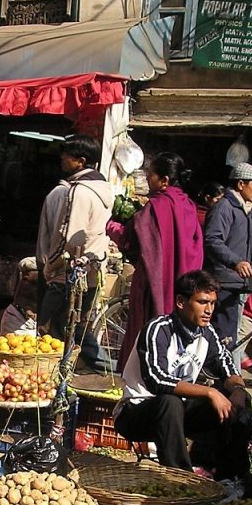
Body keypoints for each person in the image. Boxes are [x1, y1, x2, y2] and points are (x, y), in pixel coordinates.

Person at [114, 270, 251, 483]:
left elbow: (228, 369)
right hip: (136, 413)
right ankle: (182, 481)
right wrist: (209, 391)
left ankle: (231, 477)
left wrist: (238, 391)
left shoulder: (206, 333)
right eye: (203, 302)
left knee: (239, 402)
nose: (209, 310)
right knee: (171, 402)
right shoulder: (157, 329)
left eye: (213, 303)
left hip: (178, 415)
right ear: (180, 302)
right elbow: (157, 380)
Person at [110, 152, 204, 371]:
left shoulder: (157, 207)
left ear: (164, 181)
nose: (147, 179)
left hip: (154, 286)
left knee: (146, 333)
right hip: (182, 286)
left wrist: (113, 227)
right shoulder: (189, 205)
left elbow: (131, 241)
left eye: (150, 174)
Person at [35, 134, 114, 371]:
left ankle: (100, 368)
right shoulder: (104, 188)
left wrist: (50, 266)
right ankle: (99, 368)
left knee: (47, 329)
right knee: (76, 327)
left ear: (80, 161)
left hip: (69, 274)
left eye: (66, 155)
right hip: (92, 269)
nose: (62, 159)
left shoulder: (78, 191)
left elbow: (68, 238)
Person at [203, 161, 252, 359]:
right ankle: (217, 378)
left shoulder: (243, 211)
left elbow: (247, 245)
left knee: (228, 334)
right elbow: (213, 240)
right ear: (241, 184)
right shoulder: (224, 208)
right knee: (223, 334)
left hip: (236, 281)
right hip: (223, 279)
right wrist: (236, 262)